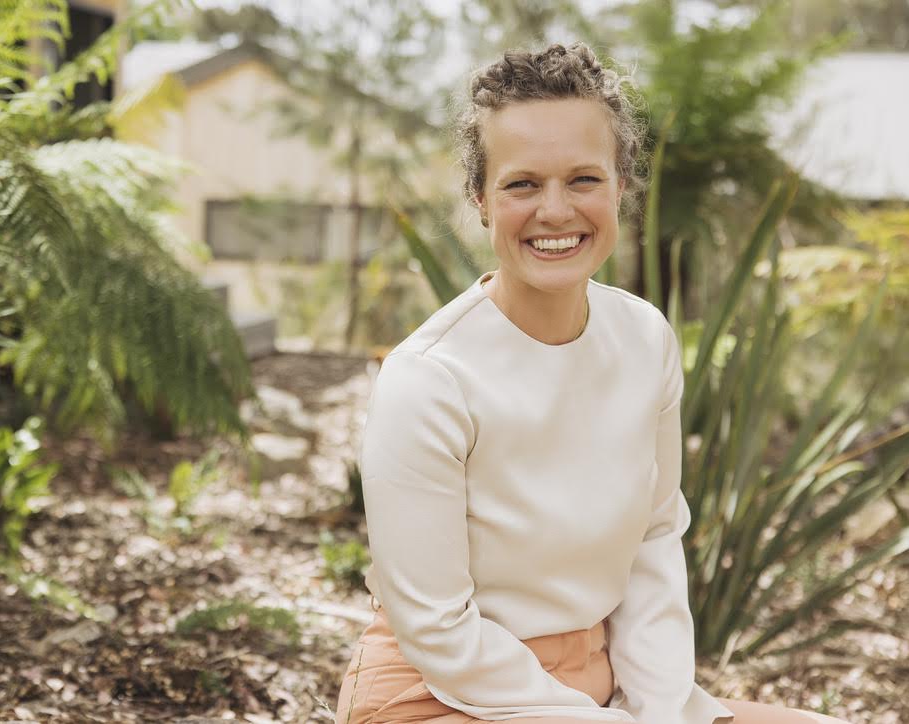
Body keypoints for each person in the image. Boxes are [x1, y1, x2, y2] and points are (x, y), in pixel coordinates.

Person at [334, 45, 851, 724]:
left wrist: (662, 709)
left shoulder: (644, 339)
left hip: (599, 680)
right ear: (481, 199)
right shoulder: (429, 379)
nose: (555, 210)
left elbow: (654, 542)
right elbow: (439, 633)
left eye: (583, 179)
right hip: (439, 693)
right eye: (522, 184)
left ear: (621, 188)